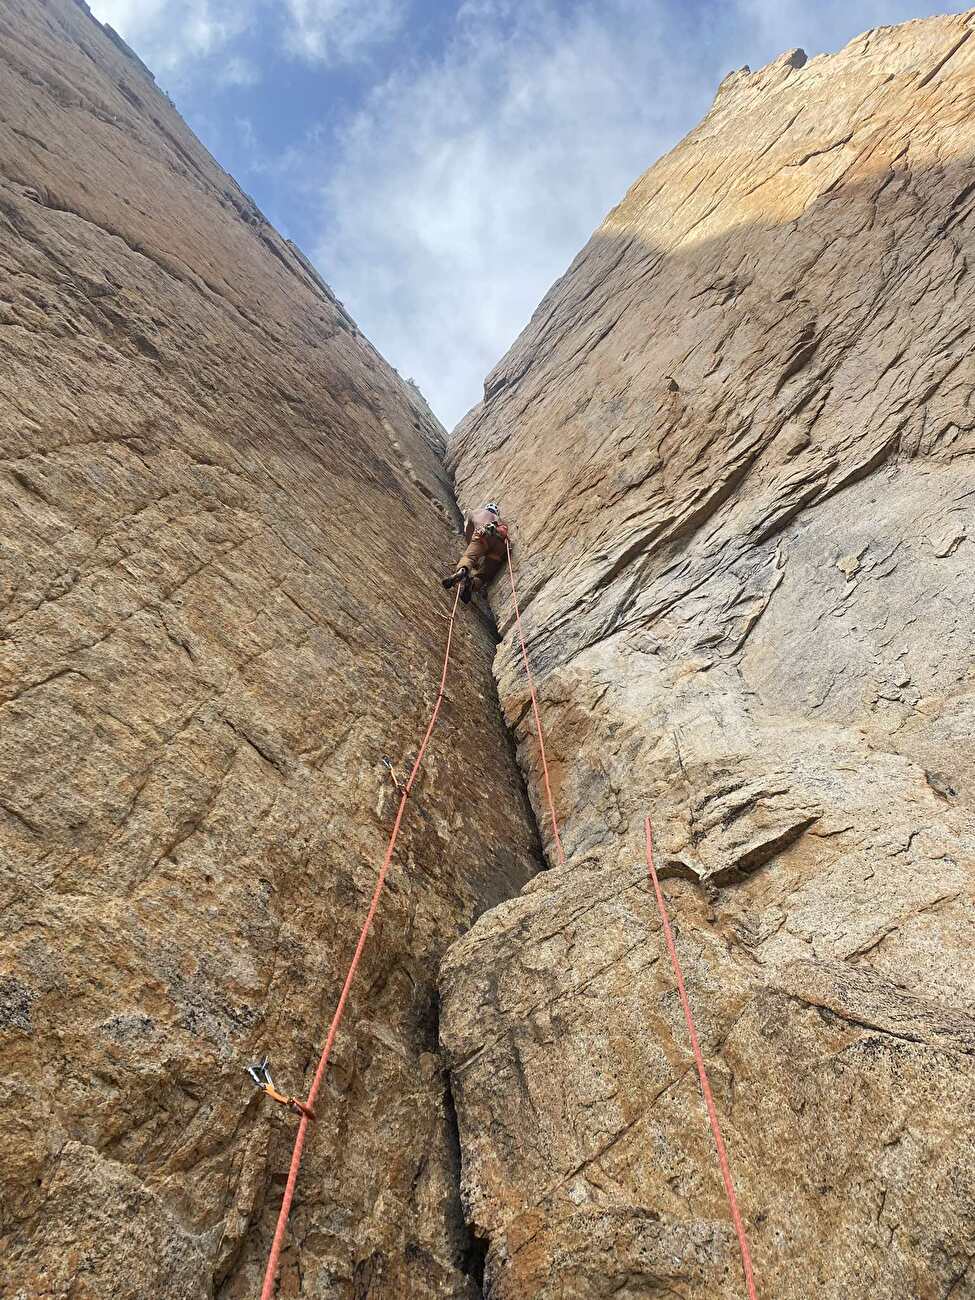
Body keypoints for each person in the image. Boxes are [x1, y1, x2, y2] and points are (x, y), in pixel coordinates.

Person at [442, 501, 509, 603]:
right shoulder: (500, 521)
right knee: (484, 575)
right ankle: (472, 584)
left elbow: (469, 531)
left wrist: (471, 545)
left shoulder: (476, 513)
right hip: (498, 547)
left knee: (469, 558)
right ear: (497, 512)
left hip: (482, 536)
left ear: (486, 508)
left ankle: (462, 571)